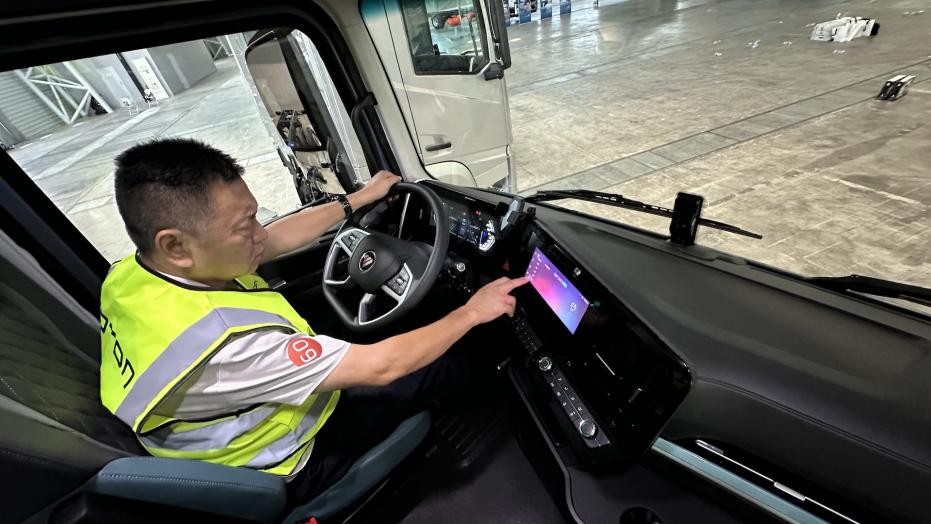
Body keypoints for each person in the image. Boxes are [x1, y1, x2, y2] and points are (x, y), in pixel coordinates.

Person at [98, 138, 527, 502]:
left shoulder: (131, 275)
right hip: (293, 458)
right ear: (175, 246)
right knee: (441, 366)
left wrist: (358, 199)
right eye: (244, 227)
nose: (260, 233)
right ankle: (503, 402)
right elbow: (383, 367)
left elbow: (276, 238)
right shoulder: (227, 349)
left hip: (236, 419)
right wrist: (472, 312)